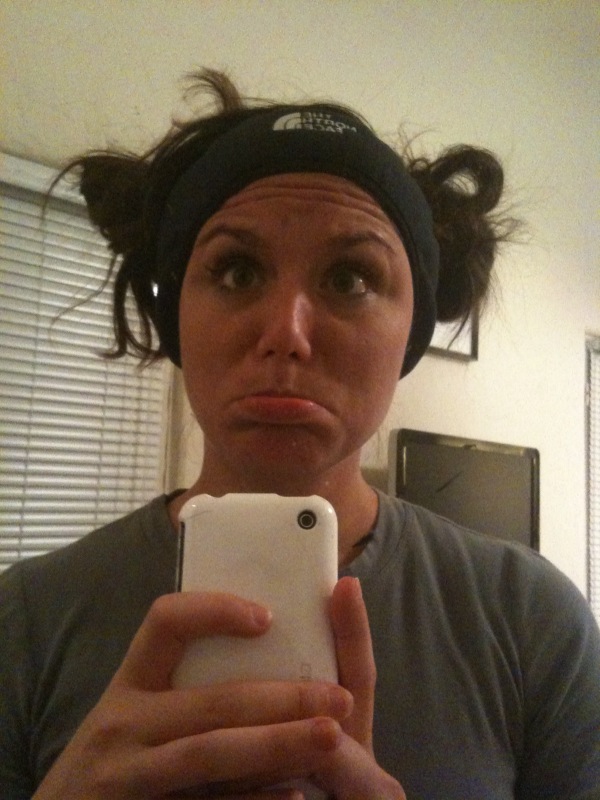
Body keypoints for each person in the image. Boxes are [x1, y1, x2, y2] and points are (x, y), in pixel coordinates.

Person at [1, 69, 599, 800]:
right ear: (174, 315)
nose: (286, 333)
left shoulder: (534, 621)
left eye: (349, 279)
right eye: (237, 271)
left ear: (411, 333)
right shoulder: (25, 621)